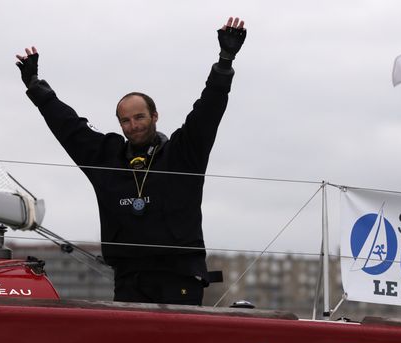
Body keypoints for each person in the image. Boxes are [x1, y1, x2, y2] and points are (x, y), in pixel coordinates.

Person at [16, 17, 246, 305]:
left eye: (139, 117)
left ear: (155, 116)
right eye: (125, 120)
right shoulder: (106, 157)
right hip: (128, 280)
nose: (133, 125)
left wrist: (225, 61)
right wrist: (35, 87)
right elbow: (70, 127)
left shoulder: (184, 153)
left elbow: (208, 110)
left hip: (180, 278)